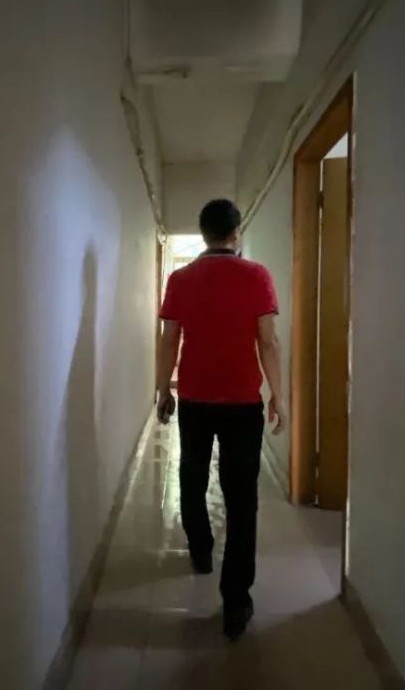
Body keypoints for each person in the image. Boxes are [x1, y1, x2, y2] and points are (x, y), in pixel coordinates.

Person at [156, 198, 286, 640]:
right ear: (236, 233)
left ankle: (200, 548)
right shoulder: (257, 276)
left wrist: (163, 389)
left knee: (192, 476)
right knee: (242, 498)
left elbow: (169, 339)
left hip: (194, 397)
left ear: (204, 232)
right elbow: (268, 341)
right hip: (242, 402)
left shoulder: (181, 279)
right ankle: (235, 602)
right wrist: (278, 396)